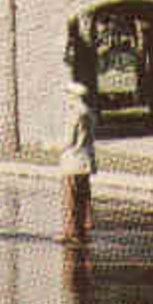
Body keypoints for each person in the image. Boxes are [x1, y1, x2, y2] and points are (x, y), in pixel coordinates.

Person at [60, 80, 97, 245]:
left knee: (71, 198)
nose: (66, 97)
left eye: (67, 94)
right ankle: (83, 229)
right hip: (86, 160)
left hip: (72, 161)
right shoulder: (89, 112)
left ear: (73, 96)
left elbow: (69, 140)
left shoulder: (74, 113)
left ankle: (71, 232)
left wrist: (52, 146)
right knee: (84, 196)